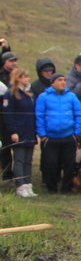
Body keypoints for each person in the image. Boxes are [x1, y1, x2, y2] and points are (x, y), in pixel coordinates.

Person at [35, 72, 81, 194]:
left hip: (68, 136)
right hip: (50, 137)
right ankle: (51, 187)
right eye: (59, 80)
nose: (63, 82)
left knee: (69, 164)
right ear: (52, 83)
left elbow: (79, 113)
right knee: (51, 163)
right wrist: (43, 135)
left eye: (64, 80)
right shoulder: (43, 97)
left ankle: (66, 188)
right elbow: (39, 116)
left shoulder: (71, 96)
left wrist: (77, 132)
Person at [1, 68, 38, 197]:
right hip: (19, 131)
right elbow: (8, 114)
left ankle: (28, 183)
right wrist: (13, 131)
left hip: (29, 131)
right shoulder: (11, 94)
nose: (28, 79)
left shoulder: (28, 94)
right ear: (18, 78)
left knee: (28, 160)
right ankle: (20, 184)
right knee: (19, 159)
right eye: (25, 77)